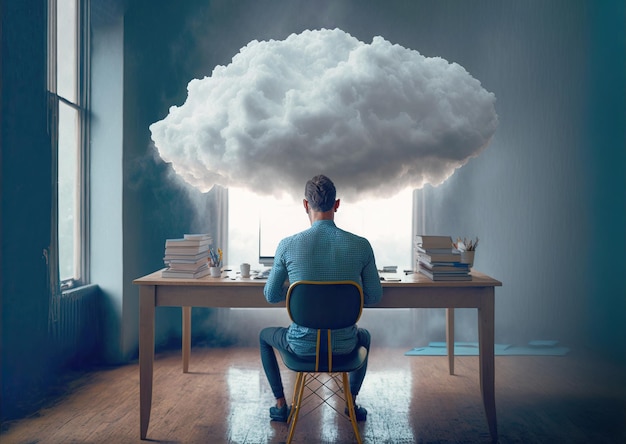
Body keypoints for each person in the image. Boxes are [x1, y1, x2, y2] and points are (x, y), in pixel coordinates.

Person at [260, 174, 383, 423]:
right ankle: (352, 402)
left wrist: (298, 293)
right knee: (365, 336)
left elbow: (271, 295)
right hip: (344, 346)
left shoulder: (287, 245)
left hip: (302, 347)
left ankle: (281, 405)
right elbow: (374, 296)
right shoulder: (361, 246)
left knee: (264, 336)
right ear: (336, 204)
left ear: (306, 205)